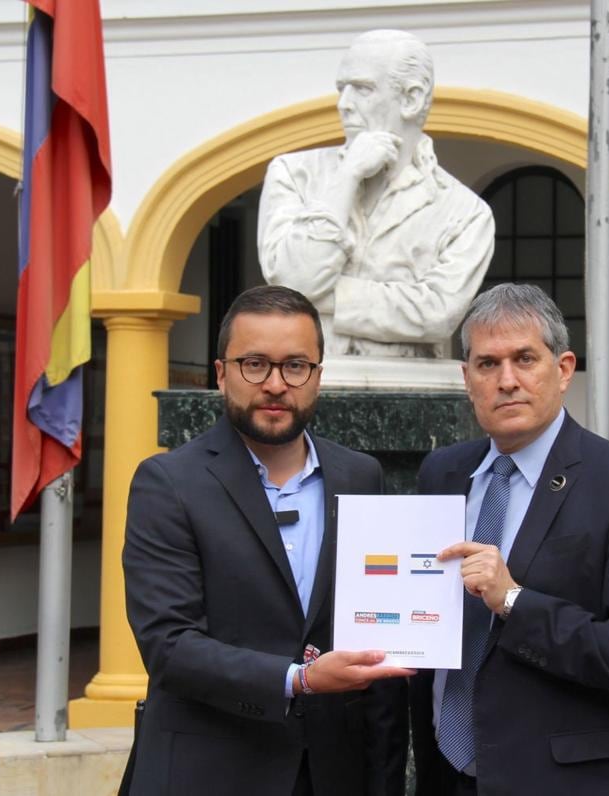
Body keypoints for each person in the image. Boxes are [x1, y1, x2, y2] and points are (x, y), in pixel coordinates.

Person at [122, 285, 412, 795]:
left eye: (295, 365)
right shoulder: (169, 483)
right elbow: (169, 646)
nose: (276, 384)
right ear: (221, 374)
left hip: (333, 772)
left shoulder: (360, 476)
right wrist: (297, 679)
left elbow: (377, 638)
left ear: (318, 376)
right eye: (254, 364)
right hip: (211, 771)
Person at [409, 284, 609, 795]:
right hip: (447, 775)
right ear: (466, 378)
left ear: (562, 370)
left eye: (524, 359)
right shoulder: (442, 473)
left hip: (572, 782)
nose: (507, 380)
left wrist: (513, 600)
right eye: (488, 364)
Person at [258, 29, 494, 359]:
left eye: (363, 89)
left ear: (411, 98)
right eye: (342, 90)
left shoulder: (466, 212)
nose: (344, 105)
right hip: (303, 383)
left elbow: (437, 315)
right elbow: (295, 278)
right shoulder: (294, 174)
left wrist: (320, 296)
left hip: (410, 390)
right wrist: (347, 175)